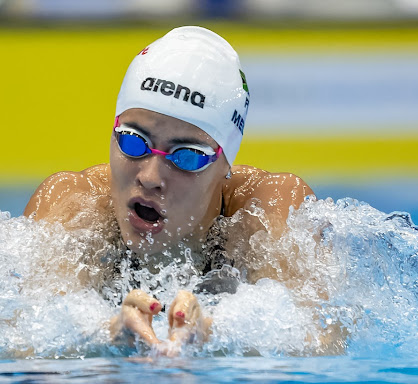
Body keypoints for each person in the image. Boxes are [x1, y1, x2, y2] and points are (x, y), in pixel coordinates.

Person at [24, 26, 314, 355]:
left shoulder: (266, 209)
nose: (150, 177)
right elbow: (22, 341)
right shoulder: (74, 203)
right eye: (133, 141)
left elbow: (320, 339)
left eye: (186, 157)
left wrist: (211, 333)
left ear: (226, 166)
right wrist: (108, 334)